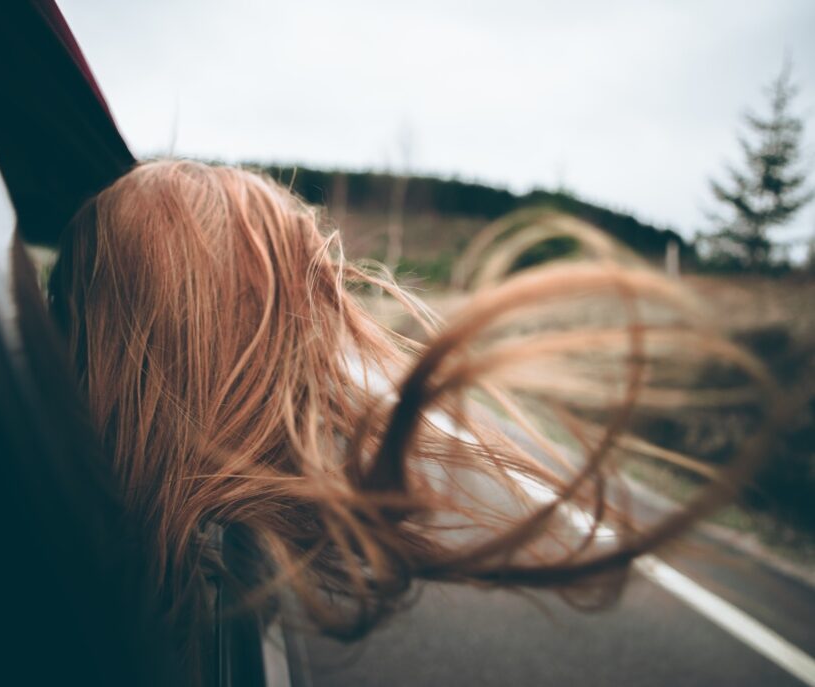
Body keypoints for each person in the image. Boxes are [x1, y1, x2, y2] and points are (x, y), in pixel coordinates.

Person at [47, 159, 774, 678]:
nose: (314, 369)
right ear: (209, 354)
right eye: (284, 331)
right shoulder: (159, 606)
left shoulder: (61, 534)